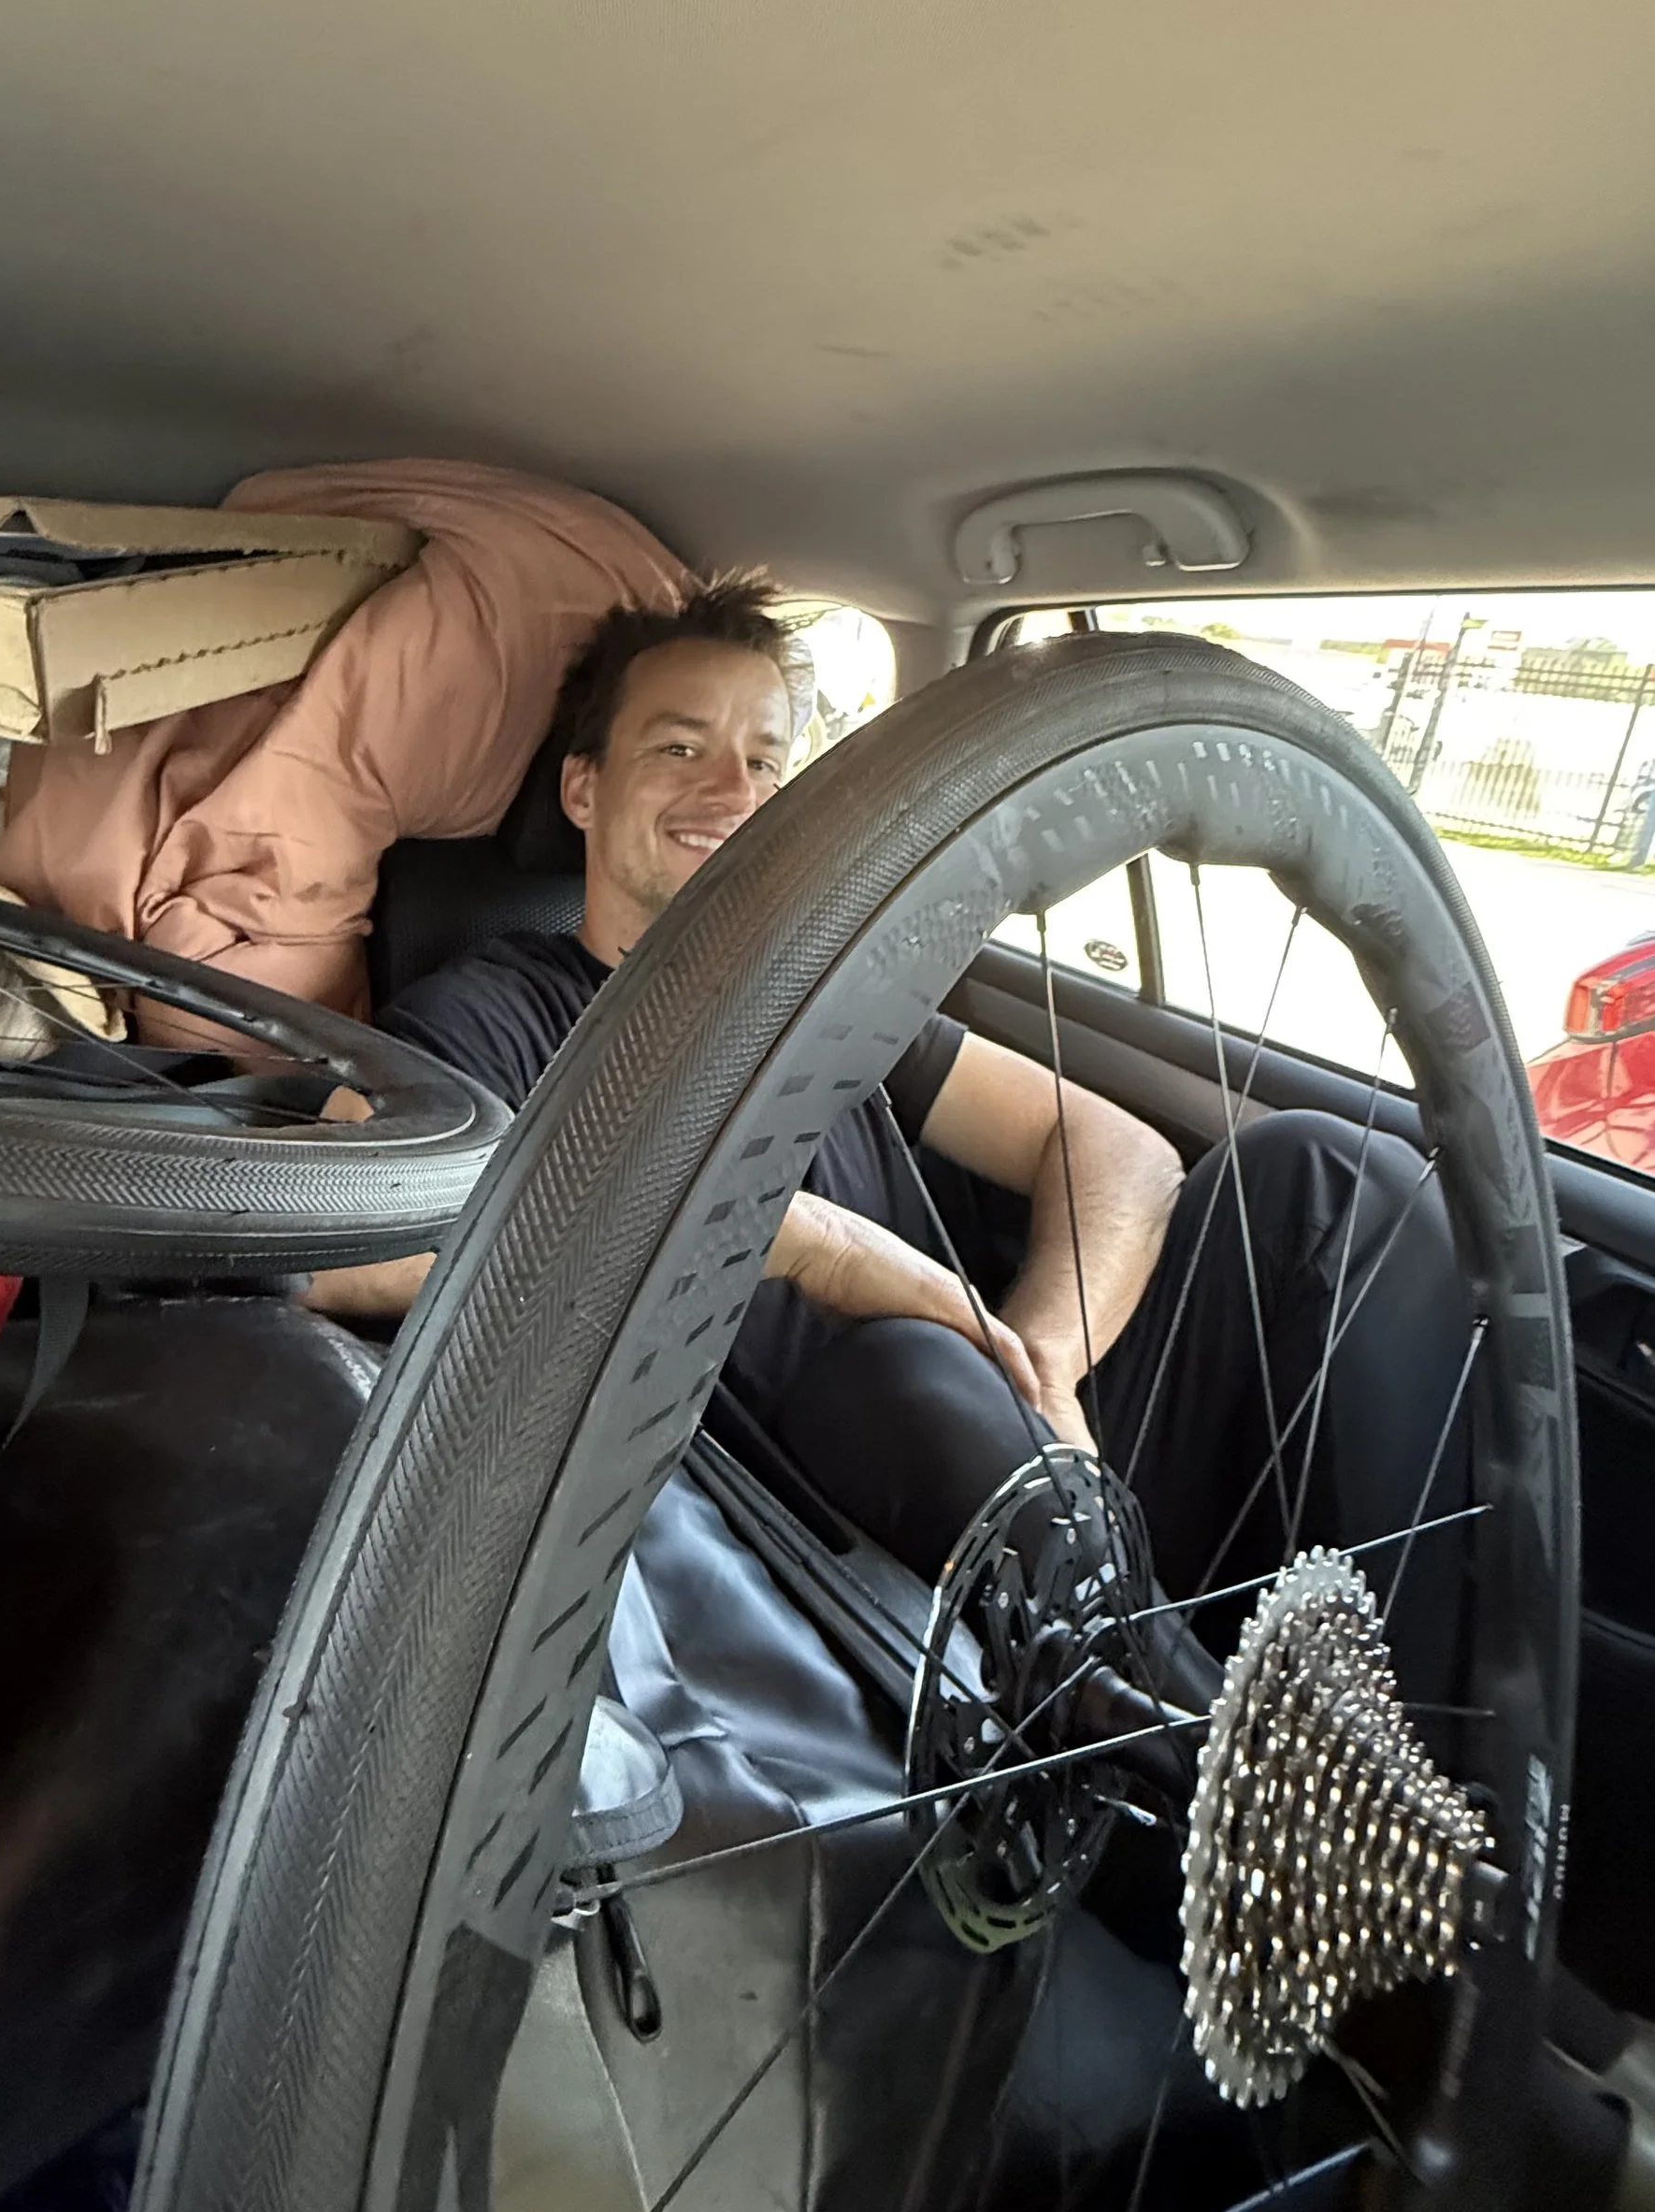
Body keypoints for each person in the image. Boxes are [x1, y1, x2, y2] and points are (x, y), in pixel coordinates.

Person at [306, 576, 1473, 1686]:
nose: (731, 790)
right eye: (678, 748)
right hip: (808, 1531)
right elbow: (329, 1249)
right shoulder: (497, 1010)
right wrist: (807, 1241)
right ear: (581, 788)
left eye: (764, 759)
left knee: (1326, 1173)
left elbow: (1117, 1151)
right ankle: (1208, 1771)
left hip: (1028, 1459)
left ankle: (1404, 1737)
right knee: (904, 1368)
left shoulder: (836, 1002)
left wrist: (1040, 1363)